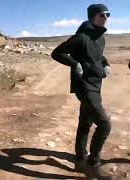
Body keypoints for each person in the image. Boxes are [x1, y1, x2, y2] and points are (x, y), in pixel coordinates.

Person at [52, 4, 113, 179]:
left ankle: (80, 160)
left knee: (85, 122)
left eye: (108, 14)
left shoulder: (100, 38)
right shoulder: (81, 37)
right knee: (104, 124)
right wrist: (74, 64)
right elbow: (57, 53)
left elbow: (98, 55)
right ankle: (92, 164)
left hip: (96, 84)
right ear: (93, 16)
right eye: (102, 14)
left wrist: (106, 64)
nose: (106, 17)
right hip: (84, 86)